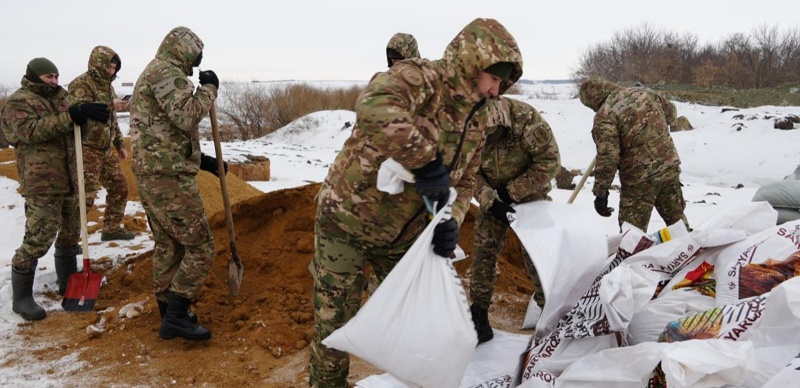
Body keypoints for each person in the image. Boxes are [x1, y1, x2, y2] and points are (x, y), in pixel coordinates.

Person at [308, 18, 523, 387]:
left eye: (503, 83)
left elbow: (467, 179)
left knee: (415, 323)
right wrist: (426, 162)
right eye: (495, 78)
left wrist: (449, 219)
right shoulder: (423, 78)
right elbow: (374, 105)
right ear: (475, 63)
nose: (496, 89)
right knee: (335, 323)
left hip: (403, 235)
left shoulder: (481, 117)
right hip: (347, 221)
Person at [130, 26, 223, 341]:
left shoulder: (154, 72)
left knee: (169, 245)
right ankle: (177, 317)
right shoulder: (166, 73)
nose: (196, 65)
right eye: (196, 57)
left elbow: (165, 132)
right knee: (201, 246)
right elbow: (187, 115)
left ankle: (168, 315)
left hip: (156, 172)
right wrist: (209, 88)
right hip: (167, 178)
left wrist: (202, 161)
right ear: (184, 49)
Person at [0, 58, 110, 320]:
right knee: (39, 237)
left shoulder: (62, 97)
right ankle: (22, 297)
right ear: (35, 76)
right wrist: (70, 116)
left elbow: (72, 129)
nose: (55, 81)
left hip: (71, 177)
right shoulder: (20, 101)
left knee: (72, 231)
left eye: (56, 76)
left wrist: (83, 118)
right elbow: (29, 132)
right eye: (49, 77)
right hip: (42, 180)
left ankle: (68, 282)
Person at [469, 96, 561, 344]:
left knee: (538, 257)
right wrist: (490, 200)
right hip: (492, 198)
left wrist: (510, 193)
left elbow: (550, 162)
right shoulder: (468, 124)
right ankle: (478, 318)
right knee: (483, 255)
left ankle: (551, 318)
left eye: (493, 135)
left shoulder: (526, 119)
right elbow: (467, 172)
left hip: (530, 196)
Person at [579, 76, 689, 232]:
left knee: (631, 235)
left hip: (639, 180)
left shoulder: (605, 115)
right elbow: (671, 113)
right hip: (668, 167)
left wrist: (601, 193)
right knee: (678, 224)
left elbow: (608, 157)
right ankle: (690, 252)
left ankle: (634, 256)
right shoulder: (645, 93)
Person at [68, 45, 136, 242]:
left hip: (105, 149)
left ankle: (111, 228)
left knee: (120, 186)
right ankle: (69, 243)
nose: (111, 71)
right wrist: (109, 105)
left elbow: (111, 120)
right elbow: (77, 113)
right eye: (108, 67)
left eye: (114, 67)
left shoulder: (108, 86)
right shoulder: (80, 85)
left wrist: (119, 144)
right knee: (85, 197)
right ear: (98, 64)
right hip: (86, 148)